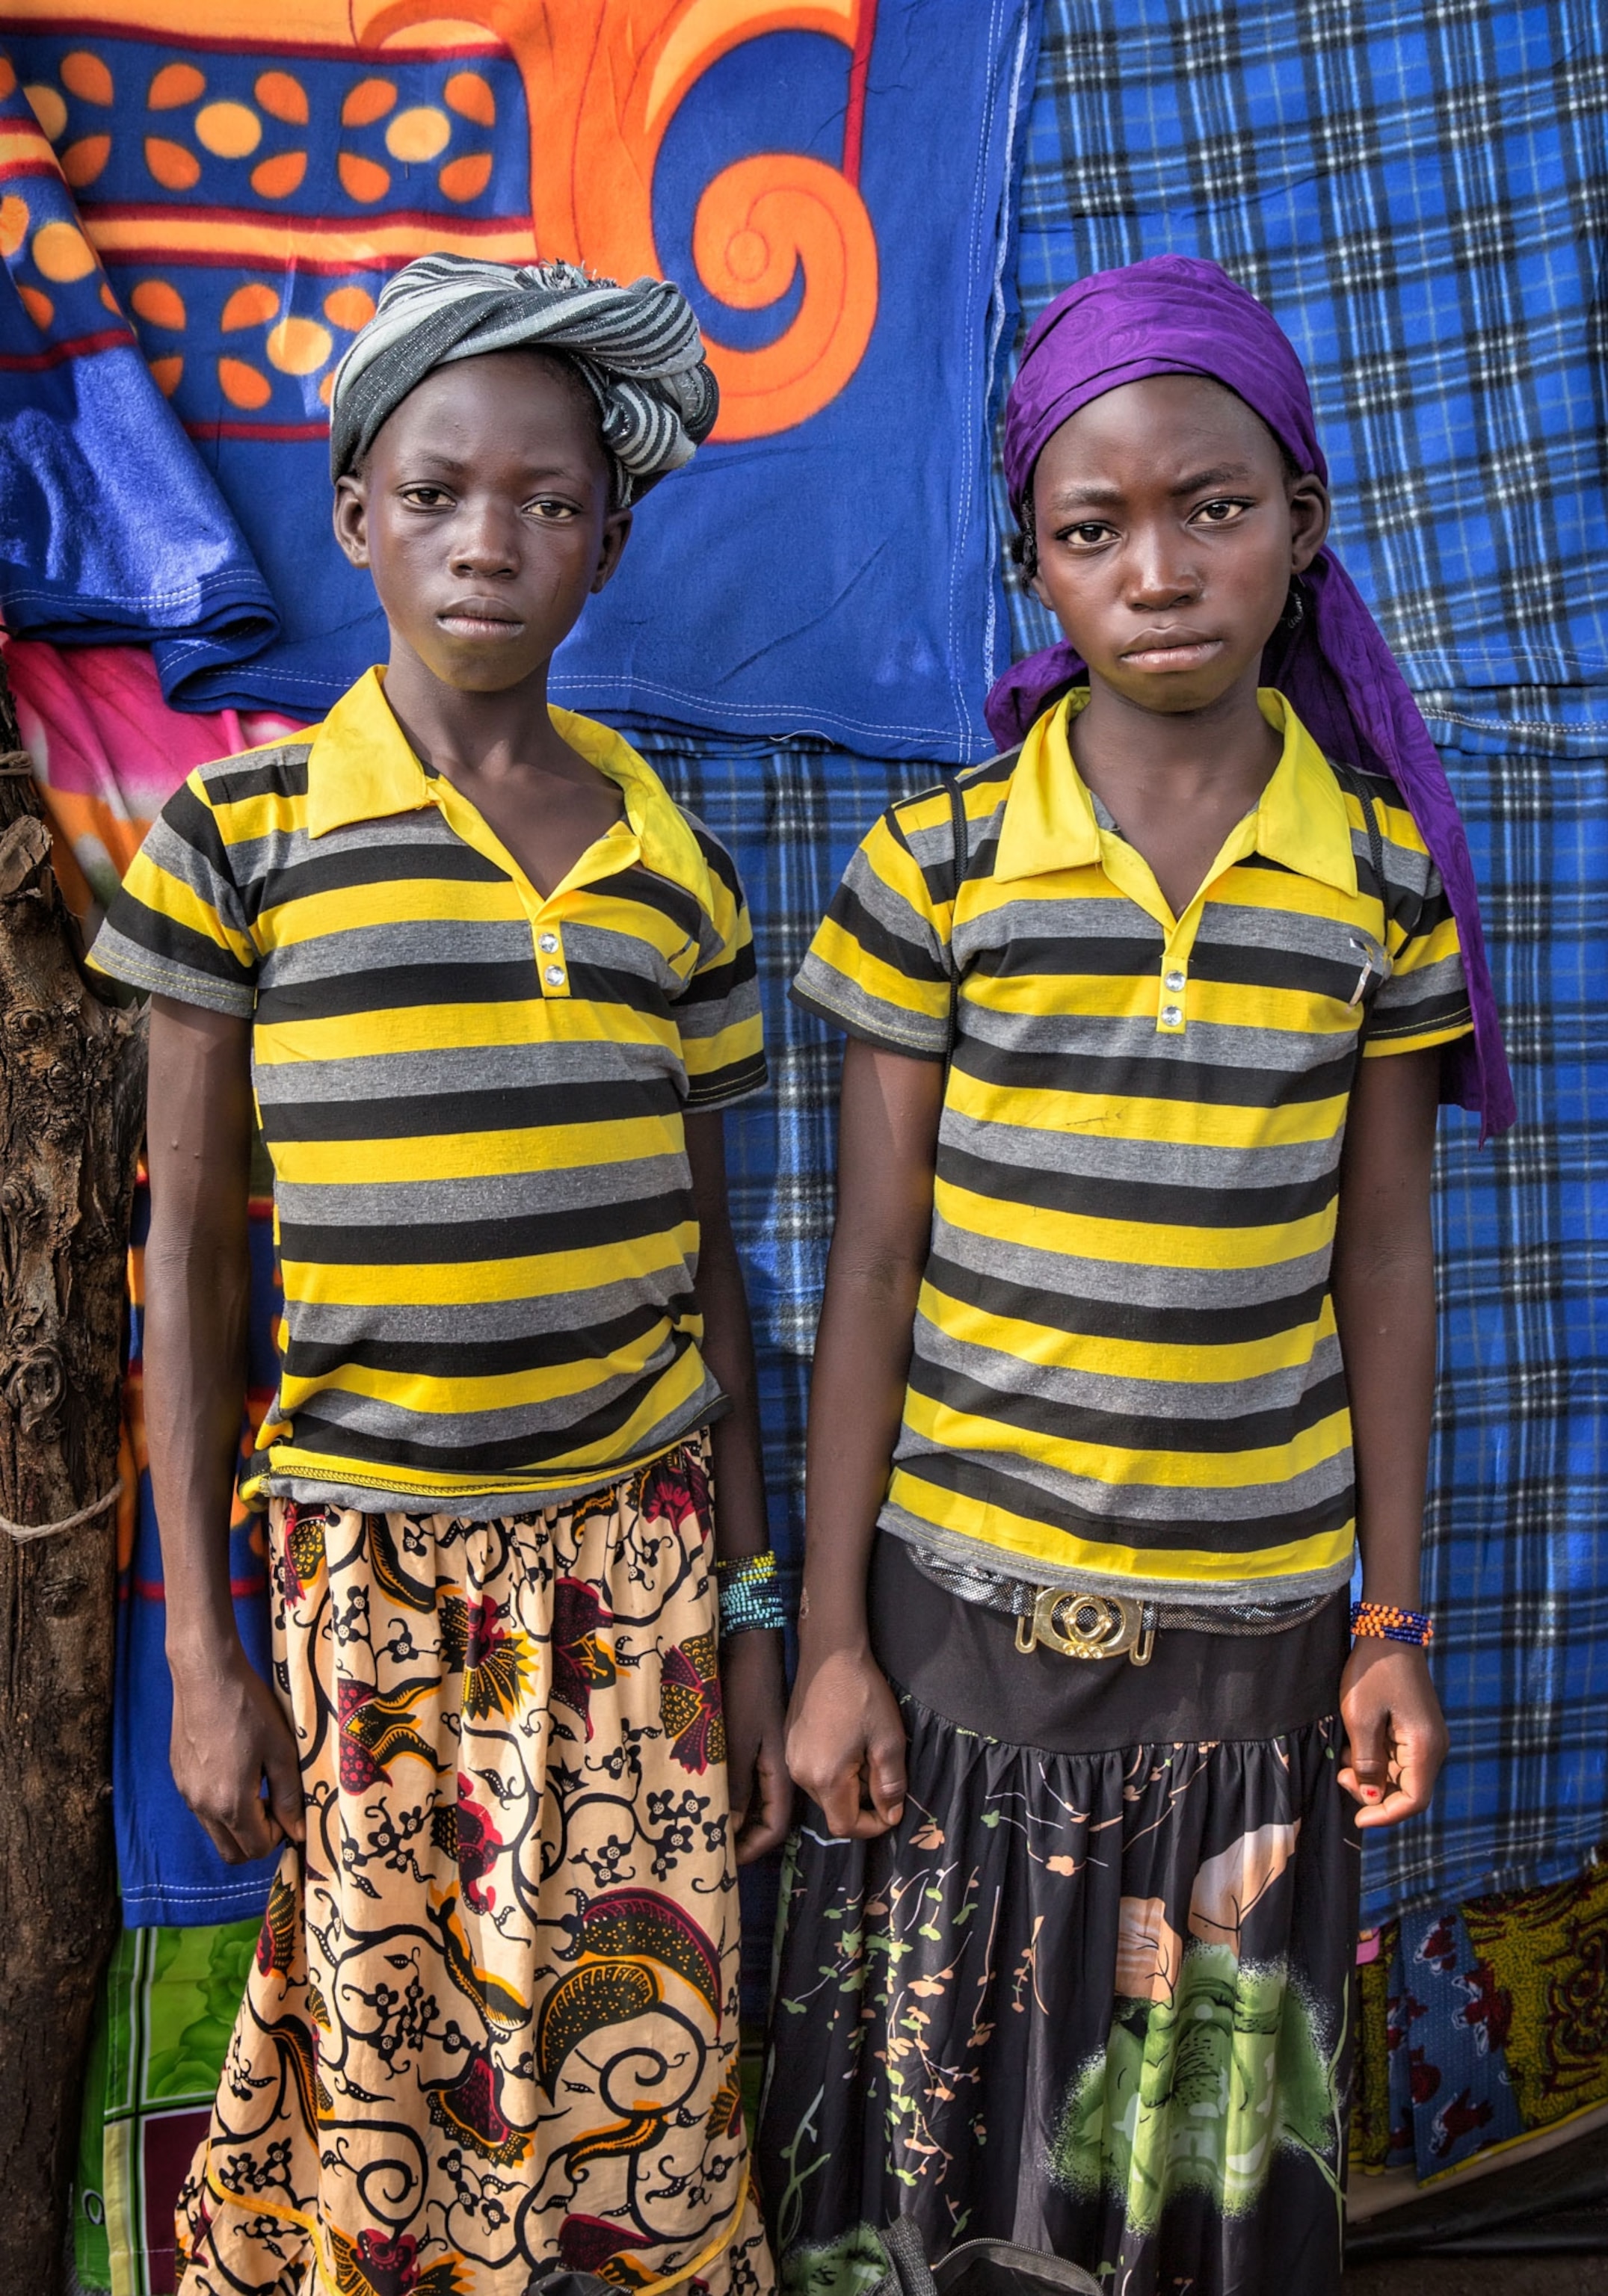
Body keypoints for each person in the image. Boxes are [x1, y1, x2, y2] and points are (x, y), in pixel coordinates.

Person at [757, 256, 1512, 2296]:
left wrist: (1390, 1619)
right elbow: (877, 1263)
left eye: (1216, 508)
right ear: (1036, 567)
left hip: (1253, 1661)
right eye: (1096, 530)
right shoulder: (939, 874)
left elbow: (1386, 1258)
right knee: (935, 2148)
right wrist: (829, 1643)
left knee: (1197, 2156)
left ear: (1305, 529)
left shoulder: (1381, 886)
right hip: (959, 1633)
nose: (1161, 568)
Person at [90, 256, 789, 2296]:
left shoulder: (675, 861)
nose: (493, 538)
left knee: (633, 2075)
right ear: (356, 518)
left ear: (611, 539)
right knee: (380, 2084)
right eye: (441, 490)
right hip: (370, 1585)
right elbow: (193, 1267)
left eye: (548, 500)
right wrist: (210, 1658)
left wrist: (747, 1613)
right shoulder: (244, 836)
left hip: (640, 1571)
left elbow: (714, 1279)